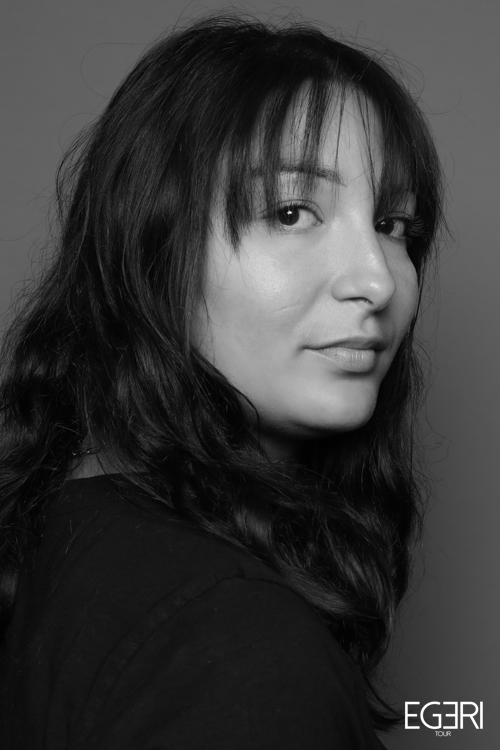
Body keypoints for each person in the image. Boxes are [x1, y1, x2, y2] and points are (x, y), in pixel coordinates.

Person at [0, 12, 443, 749]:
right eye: (292, 212)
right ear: (154, 250)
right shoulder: (239, 646)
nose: (377, 280)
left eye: (395, 224)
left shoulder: (77, 534)